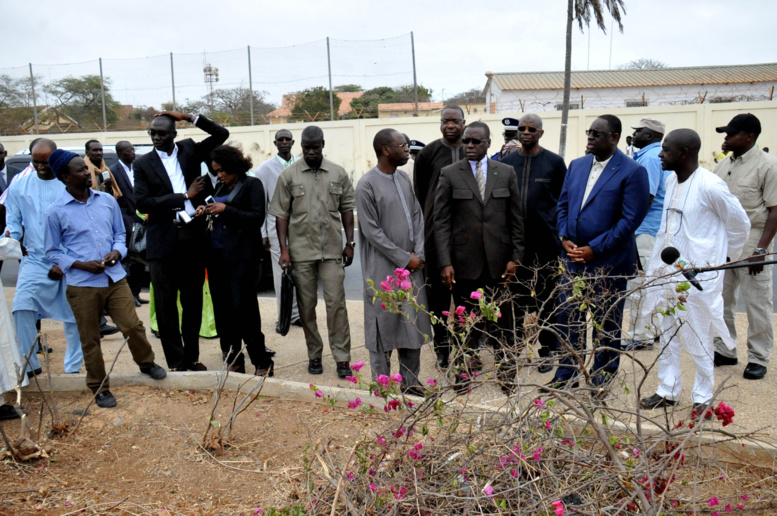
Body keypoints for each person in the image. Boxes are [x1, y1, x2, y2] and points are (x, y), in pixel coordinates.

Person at [44, 150, 166, 408]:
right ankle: (99, 387)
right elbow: (52, 251)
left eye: (86, 169)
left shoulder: (107, 201)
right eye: (80, 170)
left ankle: (146, 363)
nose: (88, 173)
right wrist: (80, 264)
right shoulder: (55, 211)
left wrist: (116, 252)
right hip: (82, 285)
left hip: (114, 278)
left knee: (132, 326)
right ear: (65, 177)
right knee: (90, 339)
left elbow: (120, 236)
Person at [639, 129, 750, 412]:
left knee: (699, 335)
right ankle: (668, 389)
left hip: (700, 275)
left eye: (665, 150)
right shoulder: (672, 180)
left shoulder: (710, 185)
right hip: (669, 272)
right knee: (668, 333)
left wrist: (723, 257)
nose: (660, 155)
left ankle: (702, 397)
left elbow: (739, 224)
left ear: (684, 153)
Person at [546, 115, 650, 390]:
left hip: (608, 262)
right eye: (589, 132)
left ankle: (602, 377)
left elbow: (630, 220)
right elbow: (563, 204)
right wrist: (564, 237)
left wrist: (595, 249)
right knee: (568, 320)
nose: (590, 137)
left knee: (606, 324)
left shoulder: (632, 171)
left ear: (614, 137)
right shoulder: (577, 165)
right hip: (572, 261)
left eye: (597, 133)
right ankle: (567, 375)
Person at [134, 111, 228, 371]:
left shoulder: (188, 150)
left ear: (174, 134)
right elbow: (142, 202)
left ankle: (191, 358)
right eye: (152, 132)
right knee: (165, 305)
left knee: (192, 301)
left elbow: (221, 134)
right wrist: (184, 195)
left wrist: (189, 116)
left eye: (162, 132)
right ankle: (176, 362)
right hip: (162, 239)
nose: (156, 137)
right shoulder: (142, 164)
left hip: (193, 237)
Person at [434, 121, 524, 392]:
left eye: (475, 141)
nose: (469, 146)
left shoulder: (506, 172)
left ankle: (507, 372)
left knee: (504, 322)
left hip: (500, 263)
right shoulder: (450, 173)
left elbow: (516, 219)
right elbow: (441, 222)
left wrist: (515, 258)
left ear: (488, 142)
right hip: (464, 264)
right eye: (466, 141)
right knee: (464, 321)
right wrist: (445, 262)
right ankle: (462, 373)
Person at [269, 125, 355, 378]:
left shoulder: (338, 173)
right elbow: (281, 215)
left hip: (331, 252)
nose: (311, 152)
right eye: (306, 148)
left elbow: (347, 209)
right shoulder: (289, 176)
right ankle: (314, 355)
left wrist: (350, 243)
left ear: (322, 145)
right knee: (306, 307)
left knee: (336, 305)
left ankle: (342, 358)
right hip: (301, 253)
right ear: (301, 147)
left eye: (315, 148)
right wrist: (284, 250)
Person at [356, 129, 430, 393]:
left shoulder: (403, 179)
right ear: (386, 150)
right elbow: (371, 231)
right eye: (403, 145)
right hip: (383, 269)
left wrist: (418, 254)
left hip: (412, 268)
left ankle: (410, 382)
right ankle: (383, 385)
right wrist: (403, 258)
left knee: (411, 324)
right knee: (383, 325)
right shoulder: (367, 184)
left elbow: (417, 217)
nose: (407, 149)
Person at [2, 139, 84, 378]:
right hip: (35, 260)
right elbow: (14, 223)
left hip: (71, 262)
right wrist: (11, 239)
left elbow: (81, 228)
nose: (40, 166)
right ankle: (29, 366)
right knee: (21, 308)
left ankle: (73, 368)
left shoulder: (71, 185)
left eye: (45, 162)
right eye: (35, 161)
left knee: (74, 316)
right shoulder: (20, 186)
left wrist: (64, 261)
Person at [198, 145, 274, 377]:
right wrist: (207, 210)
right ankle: (234, 359)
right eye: (216, 171)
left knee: (245, 311)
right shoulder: (220, 186)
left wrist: (225, 209)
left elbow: (256, 217)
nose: (219, 175)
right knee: (223, 313)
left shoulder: (252, 184)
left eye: (222, 170)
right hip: (216, 256)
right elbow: (218, 212)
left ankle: (262, 361)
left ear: (234, 166)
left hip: (242, 259)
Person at [712, 114, 777, 381]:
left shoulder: (768, 165)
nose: (725, 138)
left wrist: (761, 249)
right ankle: (725, 349)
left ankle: (758, 357)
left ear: (748, 137)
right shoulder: (723, 165)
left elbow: (775, 210)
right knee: (722, 299)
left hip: (753, 240)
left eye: (731, 134)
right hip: (724, 241)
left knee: (757, 301)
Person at [500, 114, 567, 374]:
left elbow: (564, 202)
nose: (525, 132)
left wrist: (561, 236)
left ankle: (548, 350)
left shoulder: (554, 163)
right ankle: (513, 348)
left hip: (546, 245)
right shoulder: (506, 163)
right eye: (522, 128)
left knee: (547, 299)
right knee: (514, 298)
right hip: (514, 246)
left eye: (531, 129)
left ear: (540, 132)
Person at [413, 105, 466, 369]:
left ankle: (468, 348)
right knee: (438, 299)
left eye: (456, 121)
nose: (450, 126)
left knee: (467, 296)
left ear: (464, 123)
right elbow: (420, 196)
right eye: (446, 121)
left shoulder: (472, 148)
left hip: (466, 236)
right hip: (435, 235)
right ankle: (443, 348)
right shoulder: (427, 154)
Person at [627, 118, 671, 351]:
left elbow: (647, 197)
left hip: (644, 229)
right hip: (650, 228)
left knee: (639, 284)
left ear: (652, 135)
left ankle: (639, 336)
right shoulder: (651, 155)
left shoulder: (651, 158)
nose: (635, 134)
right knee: (651, 283)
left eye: (639, 131)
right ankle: (652, 330)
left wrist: (627, 225)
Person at [253, 129, 301, 331]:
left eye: (287, 139)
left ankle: (297, 315)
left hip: (300, 227)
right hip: (274, 228)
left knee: (300, 273)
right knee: (282, 274)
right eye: (280, 140)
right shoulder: (264, 169)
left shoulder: (301, 163)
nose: (284, 142)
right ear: (275, 143)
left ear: (292, 142)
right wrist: (263, 233)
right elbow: (261, 203)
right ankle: (283, 317)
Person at [110, 141, 147, 307]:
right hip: (126, 219)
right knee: (130, 259)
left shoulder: (138, 167)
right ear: (119, 153)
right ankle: (128, 296)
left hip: (142, 217)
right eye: (128, 151)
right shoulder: (113, 171)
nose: (132, 153)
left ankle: (136, 293)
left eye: (133, 149)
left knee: (140, 258)